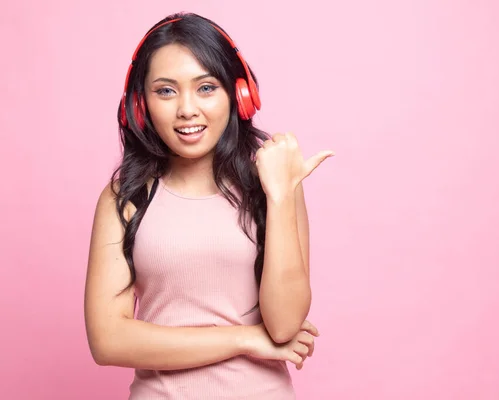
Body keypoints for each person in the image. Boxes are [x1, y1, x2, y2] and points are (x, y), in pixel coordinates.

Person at [83, 12, 334, 400]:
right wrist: (244, 340)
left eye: (206, 88)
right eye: (166, 91)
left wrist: (280, 196)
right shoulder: (126, 196)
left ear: (240, 94)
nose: (187, 109)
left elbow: (284, 326)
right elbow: (107, 340)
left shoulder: (274, 184)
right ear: (140, 104)